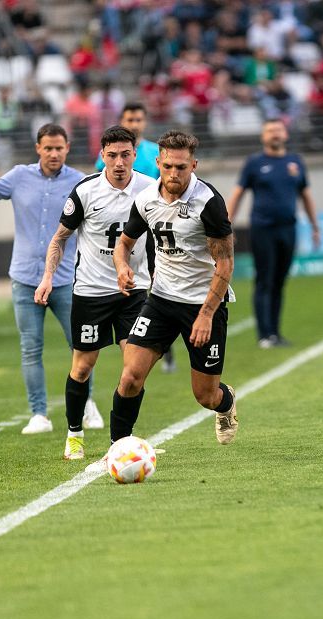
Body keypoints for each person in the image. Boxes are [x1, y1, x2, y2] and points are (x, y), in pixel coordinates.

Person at [0, 124, 105, 435]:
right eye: (48, 148)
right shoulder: (19, 176)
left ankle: (87, 403)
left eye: (59, 148)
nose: (53, 153)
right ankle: (39, 414)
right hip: (25, 278)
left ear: (67, 148)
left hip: (66, 280)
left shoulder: (81, 182)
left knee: (80, 344)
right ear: (38, 148)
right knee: (30, 348)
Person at [110, 130, 238, 446]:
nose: (174, 174)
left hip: (204, 303)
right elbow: (123, 244)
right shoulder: (146, 200)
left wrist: (207, 314)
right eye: (168, 166)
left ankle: (226, 403)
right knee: (129, 378)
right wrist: (122, 267)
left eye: (181, 167)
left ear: (193, 165)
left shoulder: (209, 202)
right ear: (158, 163)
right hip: (162, 300)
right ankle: (117, 448)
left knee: (205, 396)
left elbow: (225, 264)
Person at [35, 126, 156, 460]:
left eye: (125, 155)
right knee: (83, 366)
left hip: (135, 291)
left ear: (135, 154)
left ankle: (121, 442)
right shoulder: (86, 191)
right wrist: (47, 277)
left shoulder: (150, 189)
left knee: (134, 372)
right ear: (102, 156)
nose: (119, 162)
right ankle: (74, 434)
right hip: (91, 292)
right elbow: (60, 238)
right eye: (112, 155)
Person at [226, 119, 321, 349]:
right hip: (263, 229)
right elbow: (238, 194)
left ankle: (275, 333)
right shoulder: (255, 163)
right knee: (264, 280)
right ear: (263, 136)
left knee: (279, 281)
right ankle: (264, 334)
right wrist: (226, 225)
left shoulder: (295, 162)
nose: (274, 134)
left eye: (278, 130)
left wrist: (315, 226)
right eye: (270, 131)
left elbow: (305, 194)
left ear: (285, 134)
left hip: (288, 228)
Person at [95, 102, 175, 373]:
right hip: (125, 230)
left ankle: (165, 343)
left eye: (139, 118)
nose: (135, 123)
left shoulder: (154, 152)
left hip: (154, 230)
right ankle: (132, 339)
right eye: (130, 118)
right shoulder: (108, 155)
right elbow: (101, 183)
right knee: (134, 285)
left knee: (161, 285)